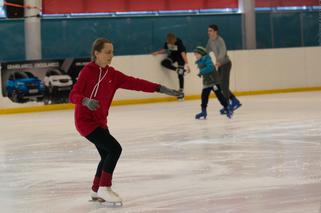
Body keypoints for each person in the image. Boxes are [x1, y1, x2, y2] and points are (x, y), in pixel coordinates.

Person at [69, 38, 183, 205]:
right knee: (114, 149)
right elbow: (73, 95)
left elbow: (135, 82)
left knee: (106, 154)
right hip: (85, 122)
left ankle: (95, 191)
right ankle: (104, 188)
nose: (111, 55)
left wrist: (160, 88)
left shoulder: (112, 74)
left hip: (100, 122)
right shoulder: (88, 71)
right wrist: (85, 101)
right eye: (108, 52)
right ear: (96, 53)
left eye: (112, 52)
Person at [206, 24, 242, 114]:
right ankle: (234, 101)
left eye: (210, 31)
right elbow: (206, 51)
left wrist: (219, 61)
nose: (208, 32)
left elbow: (223, 52)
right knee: (221, 85)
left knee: (224, 85)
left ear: (215, 32)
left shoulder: (220, 40)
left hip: (225, 64)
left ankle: (227, 106)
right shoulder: (210, 41)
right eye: (208, 31)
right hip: (220, 65)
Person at [194, 46, 233, 119]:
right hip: (207, 82)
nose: (195, 56)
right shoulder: (200, 61)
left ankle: (227, 108)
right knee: (204, 97)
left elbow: (211, 67)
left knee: (219, 95)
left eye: (196, 54)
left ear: (201, 54)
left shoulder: (207, 59)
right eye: (195, 54)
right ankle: (203, 111)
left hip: (214, 82)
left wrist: (201, 72)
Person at [152, 33, 190, 101]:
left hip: (181, 57)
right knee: (164, 63)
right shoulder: (167, 43)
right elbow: (165, 50)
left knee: (180, 75)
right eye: (170, 42)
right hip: (173, 56)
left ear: (175, 39)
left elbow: (183, 53)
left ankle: (181, 92)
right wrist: (157, 52)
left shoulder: (179, 42)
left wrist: (187, 64)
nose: (171, 43)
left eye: (172, 42)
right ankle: (177, 69)